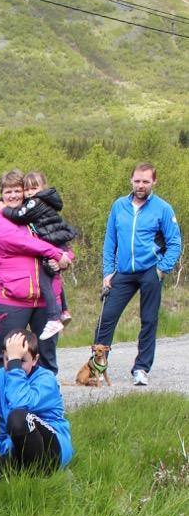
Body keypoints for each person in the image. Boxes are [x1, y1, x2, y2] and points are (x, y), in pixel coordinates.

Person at [0, 169, 73, 417]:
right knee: (6, 349)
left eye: (17, 190)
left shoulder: (36, 215)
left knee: (46, 351)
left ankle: (45, 398)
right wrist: (54, 253)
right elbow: (22, 243)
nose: (12, 195)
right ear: (1, 194)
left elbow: (61, 241)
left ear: (24, 193)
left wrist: (66, 258)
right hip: (12, 297)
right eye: (7, 191)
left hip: (46, 297)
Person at [96, 163, 182, 386]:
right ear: (131, 181)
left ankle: (141, 368)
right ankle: (97, 366)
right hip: (123, 272)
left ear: (154, 182)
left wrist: (162, 269)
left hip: (150, 271)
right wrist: (107, 272)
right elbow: (110, 241)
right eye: (137, 181)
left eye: (145, 181)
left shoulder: (163, 208)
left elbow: (174, 242)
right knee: (106, 318)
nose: (140, 185)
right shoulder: (118, 206)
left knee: (149, 320)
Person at [0, 330, 73, 482]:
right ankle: (36, 474)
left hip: (53, 445)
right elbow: (4, 420)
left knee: (18, 417)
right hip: (22, 448)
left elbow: (20, 404)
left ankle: (47, 470)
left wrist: (14, 364)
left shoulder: (46, 379)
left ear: (35, 360)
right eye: (8, 359)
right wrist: (0, 448)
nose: (14, 364)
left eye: (21, 360)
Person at [2, 171, 76, 341]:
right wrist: (63, 256)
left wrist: (3, 209)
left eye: (33, 188)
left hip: (53, 241)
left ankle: (53, 317)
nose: (29, 193)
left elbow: (20, 216)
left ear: (43, 188)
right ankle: (63, 311)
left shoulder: (36, 203)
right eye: (26, 189)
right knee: (53, 276)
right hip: (56, 240)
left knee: (44, 279)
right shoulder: (45, 201)